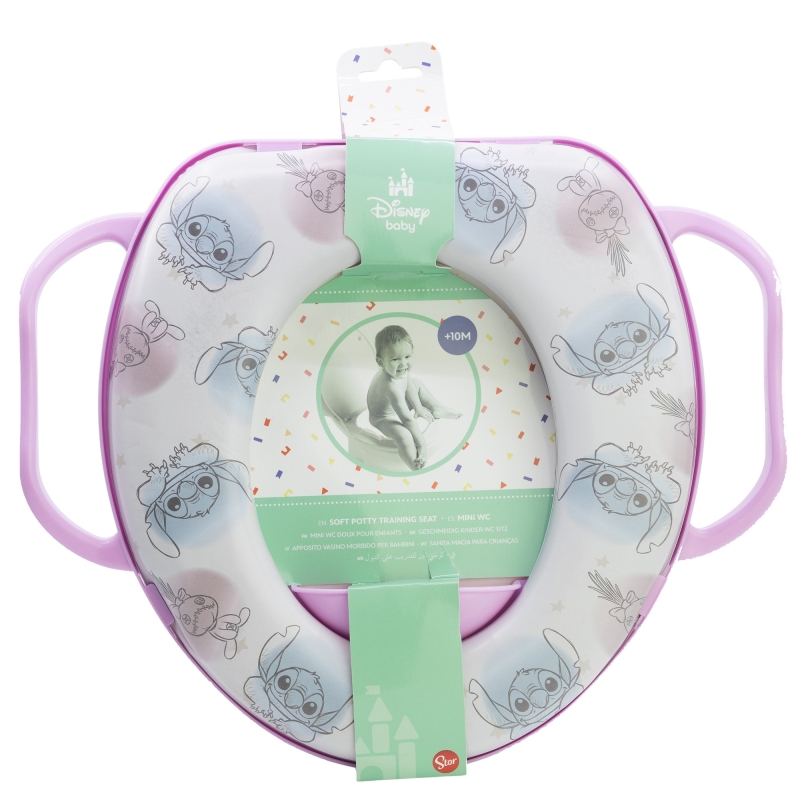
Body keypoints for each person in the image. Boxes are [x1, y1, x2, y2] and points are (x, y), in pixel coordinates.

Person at [366, 325, 461, 470]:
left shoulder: (401, 370)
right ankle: (414, 464)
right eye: (395, 359)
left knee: (417, 384)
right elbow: (407, 420)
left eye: (407, 357)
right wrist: (422, 446)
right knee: (404, 435)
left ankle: (437, 408)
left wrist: (419, 408)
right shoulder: (390, 387)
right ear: (381, 362)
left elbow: (409, 387)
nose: (403, 364)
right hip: (382, 418)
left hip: (395, 406)